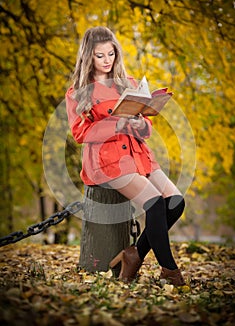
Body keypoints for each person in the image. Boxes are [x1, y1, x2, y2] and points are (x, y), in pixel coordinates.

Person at [65, 26, 186, 286]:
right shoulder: (78, 92)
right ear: (89, 56)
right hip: (107, 160)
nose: (107, 60)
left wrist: (141, 123)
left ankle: (133, 255)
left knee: (175, 202)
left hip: (137, 152)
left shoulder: (129, 84)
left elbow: (146, 128)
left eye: (111, 53)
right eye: (100, 55)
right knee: (154, 203)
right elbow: (79, 133)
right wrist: (115, 125)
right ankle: (171, 272)